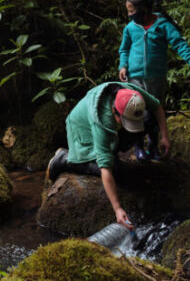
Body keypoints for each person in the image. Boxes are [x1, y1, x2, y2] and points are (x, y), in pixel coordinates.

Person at [46, 82, 168, 230]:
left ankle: (113, 147)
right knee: (114, 169)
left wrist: (165, 137)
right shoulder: (102, 122)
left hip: (107, 129)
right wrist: (117, 208)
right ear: (114, 111)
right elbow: (105, 168)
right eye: (125, 121)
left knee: (149, 119)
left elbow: (156, 106)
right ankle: (65, 159)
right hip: (82, 129)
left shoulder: (133, 96)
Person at [118, 0, 190, 161]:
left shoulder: (163, 25)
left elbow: (178, 43)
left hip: (156, 77)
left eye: (131, 11)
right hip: (134, 78)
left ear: (143, 9)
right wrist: (123, 65)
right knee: (136, 111)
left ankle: (153, 146)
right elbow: (124, 49)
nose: (129, 15)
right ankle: (138, 147)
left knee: (155, 111)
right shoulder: (130, 29)